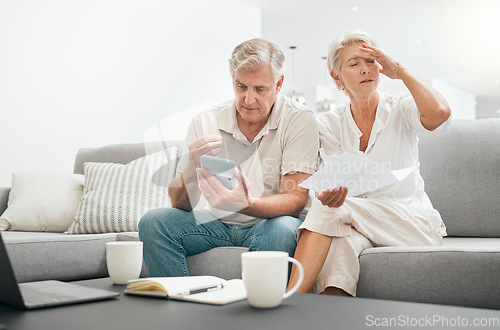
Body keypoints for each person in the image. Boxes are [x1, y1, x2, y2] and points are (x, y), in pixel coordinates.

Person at [287, 31, 451, 297]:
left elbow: (440, 114)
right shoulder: (328, 124)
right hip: (357, 223)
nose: (366, 70)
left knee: (329, 212)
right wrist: (331, 194)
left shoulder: (400, 107)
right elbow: (334, 180)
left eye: (371, 61)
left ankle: (291, 302)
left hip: (412, 223)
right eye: (354, 64)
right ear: (336, 76)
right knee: (338, 245)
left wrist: (400, 71)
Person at [139, 38, 319, 277]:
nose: (248, 99)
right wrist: (193, 167)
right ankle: (178, 307)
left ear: (278, 84)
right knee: (154, 222)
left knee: (284, 228)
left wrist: (246, 204)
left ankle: (261, 311)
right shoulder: (205, 121)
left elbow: (295, 200)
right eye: (241, 86)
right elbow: (179, 204)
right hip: (216, 224)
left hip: (270, 223)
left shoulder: (299, 120)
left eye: (260, 89)